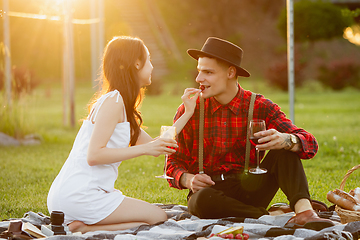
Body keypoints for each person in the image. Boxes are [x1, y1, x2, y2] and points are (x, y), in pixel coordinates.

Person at [166, 37, 335, 230]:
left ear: (230, 73)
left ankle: (305, 212)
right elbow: (171, 163)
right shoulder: (190, 109)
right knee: (202, 201)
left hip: (252, 189)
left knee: (285, 151)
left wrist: (286, 139)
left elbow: (310, 144)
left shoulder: (260, 106)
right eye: (199, 71)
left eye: (208, 72)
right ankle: (272, 215)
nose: (199, 79)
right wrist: (188, 179)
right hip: (210, 193)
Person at [47, 36, 200, 233]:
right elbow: (94, 156)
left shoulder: (120, 105)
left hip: (69, 195)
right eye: (149, 59)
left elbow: (157, 146)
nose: (152, 66)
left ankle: (84, 226)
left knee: (157, 217)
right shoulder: (114, 101)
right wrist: (144, 149)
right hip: (80, 195)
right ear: (137, 63)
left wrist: (187, 112)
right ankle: (85, 229)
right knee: (158, 217)